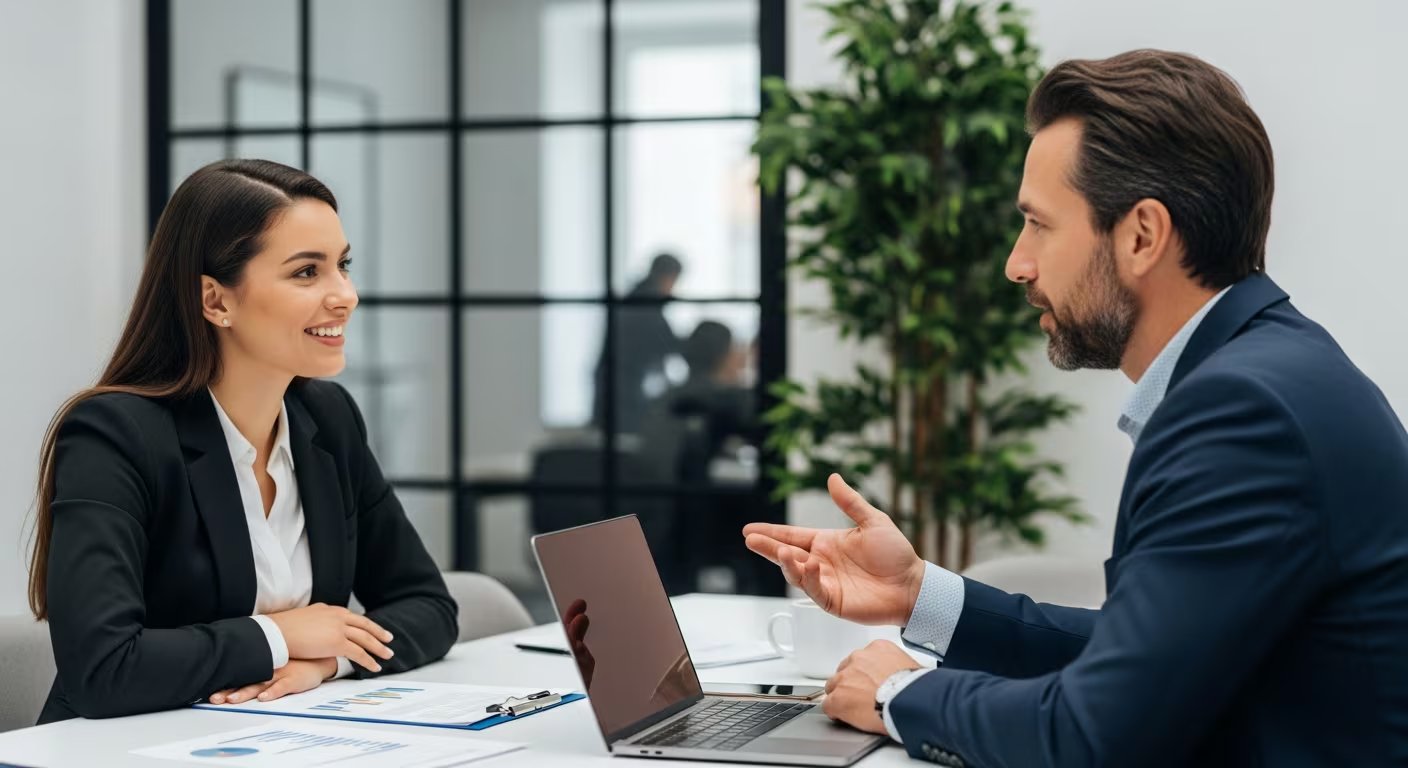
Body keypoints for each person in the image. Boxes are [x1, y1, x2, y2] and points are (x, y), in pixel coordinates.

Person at [744, 50, 1408, 766]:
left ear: (1142, 236)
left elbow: (1094, 735)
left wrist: (898, 695)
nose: (1016, 263)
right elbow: (1142, 659)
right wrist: (917, 593)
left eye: (1038, 224)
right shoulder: (1272, 369)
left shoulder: (1241, 412)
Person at [27, 159, 457, 723]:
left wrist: (326, 662)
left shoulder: (327, 419)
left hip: (278, 740)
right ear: (215, 300)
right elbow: (103, 669)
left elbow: (428, 607)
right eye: (307, 272)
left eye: (343, 265)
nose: (345, 295)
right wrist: (279, 634)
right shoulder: (115, 434)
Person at [592, 252, 683, 433]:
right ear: (669, 278)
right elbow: (670, 344)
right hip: (626, 395)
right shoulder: (647, 305)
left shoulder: (634, 299)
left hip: (612, 389)